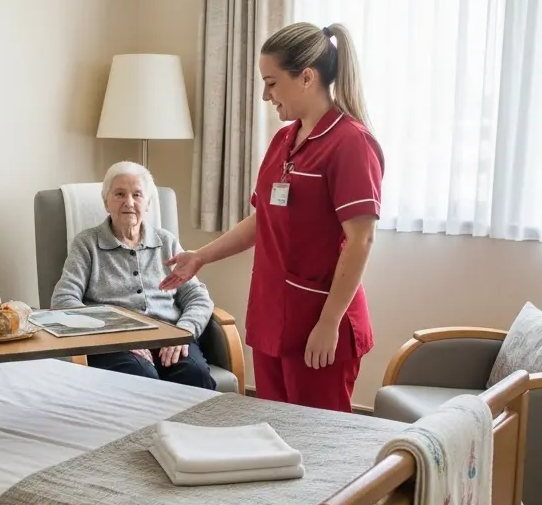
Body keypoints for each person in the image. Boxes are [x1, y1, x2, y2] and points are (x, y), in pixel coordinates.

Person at [161, 22, 384, 412]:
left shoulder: (351, 143)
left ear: (307, 78)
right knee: (276, 433)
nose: (265, 96)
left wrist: (329, 323)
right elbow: (262, 217)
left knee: (319, 443)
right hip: (272, 316)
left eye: (272, 82)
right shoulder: (284, 140)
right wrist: (201, 256)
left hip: (318, 321)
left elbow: (361, 240)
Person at [51, 161, 217, 391]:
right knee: (141, 376)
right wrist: (115, 336)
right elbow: (63, 301)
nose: (129, 202)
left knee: (195, 375)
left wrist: (183, 332)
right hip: (113, 344)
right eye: (119, 194)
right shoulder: (87, 244)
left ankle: (192, 429)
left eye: (137, 195)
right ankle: (150, 429)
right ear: (106, 202)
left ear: (147, 203)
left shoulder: (165, 242)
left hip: (170, 335)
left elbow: (198, 297)